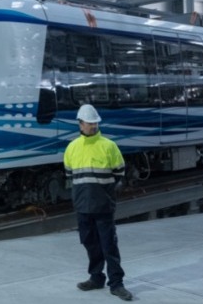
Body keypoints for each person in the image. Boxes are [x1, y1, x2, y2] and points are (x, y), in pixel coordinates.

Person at [63, 104, 133, 302]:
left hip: (103, 206)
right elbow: (69, 174)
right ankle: (96, 278)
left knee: (109, 245)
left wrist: (103, 192)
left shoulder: (109, 146)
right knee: (90, 243)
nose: (93, 126)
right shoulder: (72, 148)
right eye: (89, 123)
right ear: (80, 124)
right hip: (82, 206)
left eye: (95, 123)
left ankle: (117, 284)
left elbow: (119, 172)